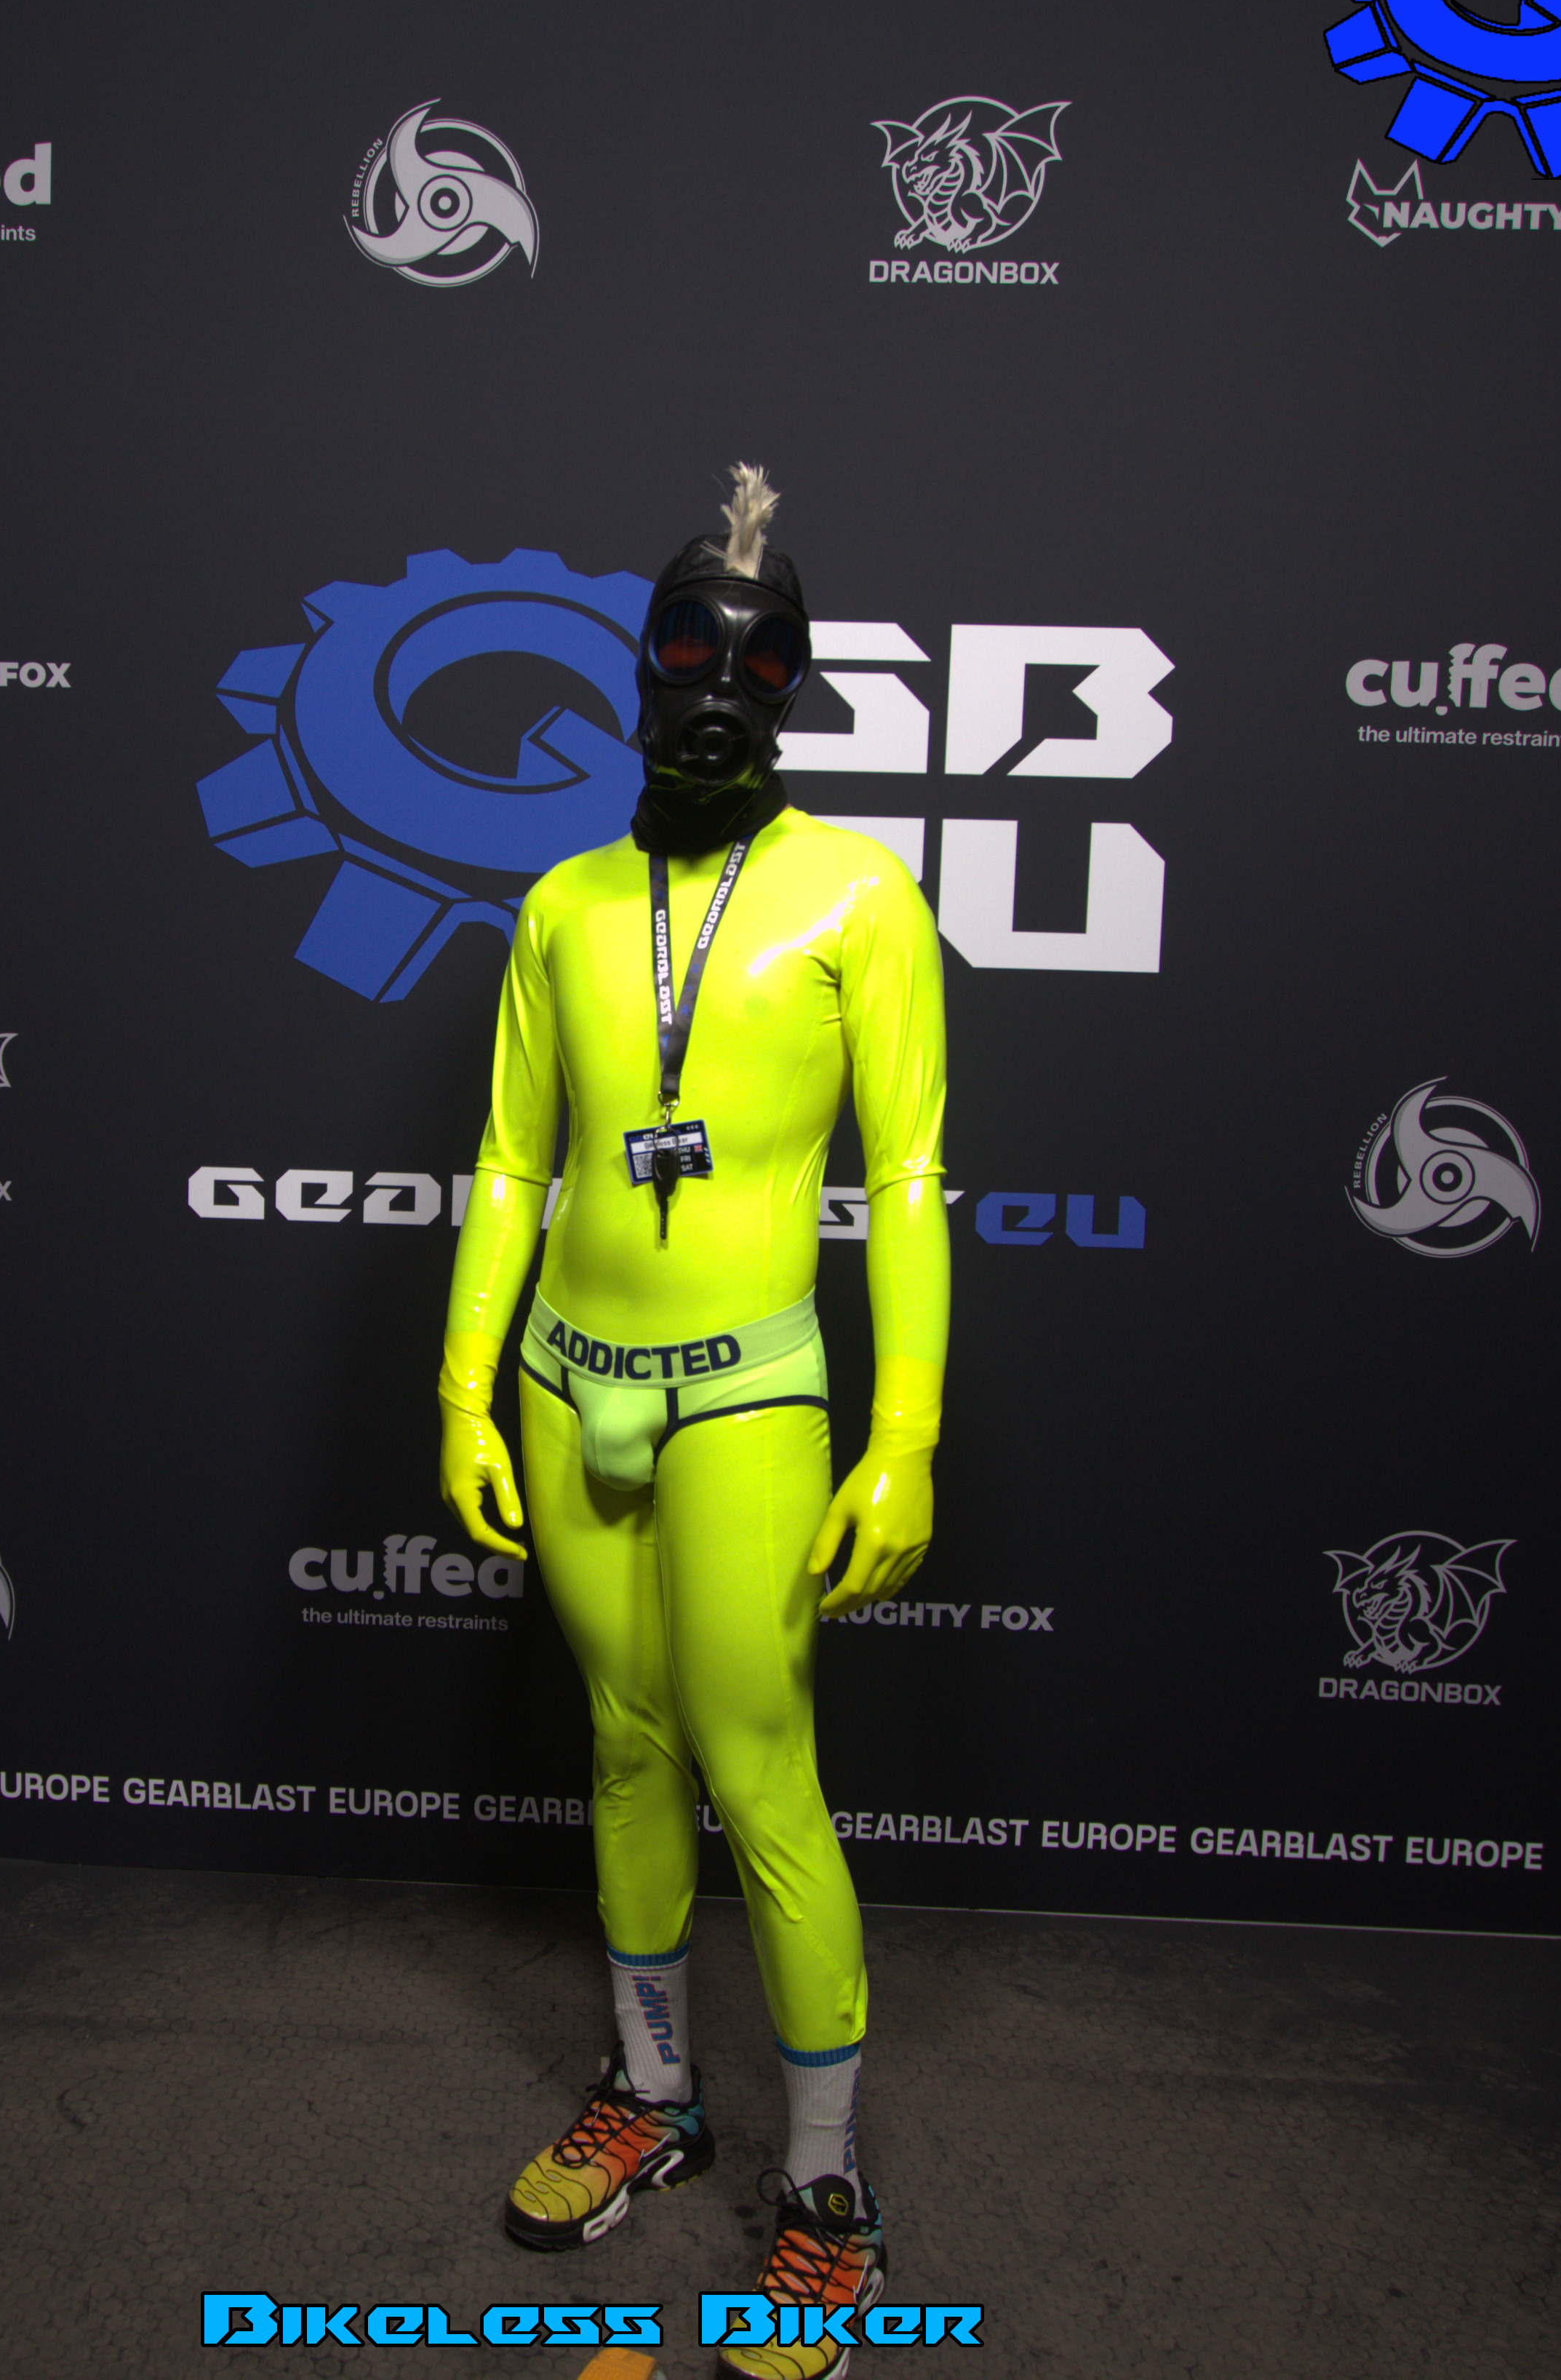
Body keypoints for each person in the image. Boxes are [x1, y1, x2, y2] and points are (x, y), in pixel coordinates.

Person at [436, 467, 950, 2380]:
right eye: (685, 646)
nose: (719, 686)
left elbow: (908, 1177)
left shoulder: (857, 896)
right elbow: (509, 1163)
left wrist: (904, 1429)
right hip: (568, 1373)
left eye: (760, 660)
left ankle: (827, 2192)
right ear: (638, 664)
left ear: (797, 684)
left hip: (748, 1388)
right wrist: (462, 1382)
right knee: (628, 1742)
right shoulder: (565, 903)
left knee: (759, 1765)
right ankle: (653, 2095)